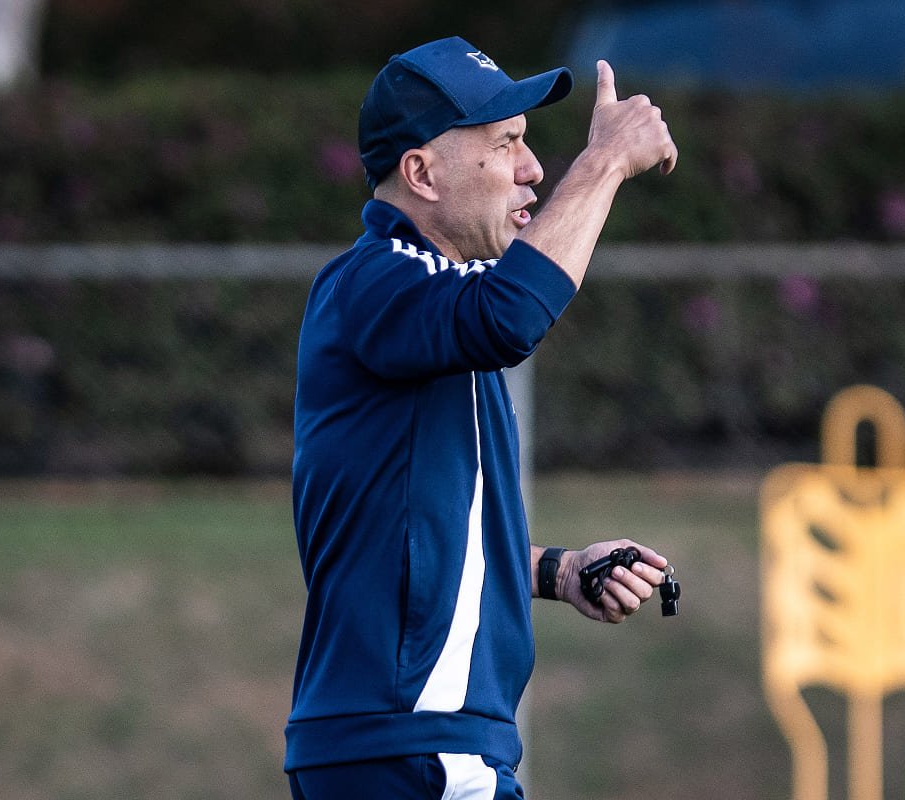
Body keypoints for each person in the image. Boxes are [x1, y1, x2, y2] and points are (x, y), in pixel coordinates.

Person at [286, 36, 679, 799]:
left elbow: (426, 527)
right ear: (421, 174)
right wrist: (601, 163)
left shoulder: (427, 306)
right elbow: (508, 319)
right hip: (413, 741)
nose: (532, 169)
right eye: (507, 145)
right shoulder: (376, 281)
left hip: (413, 744)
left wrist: (559, 571)